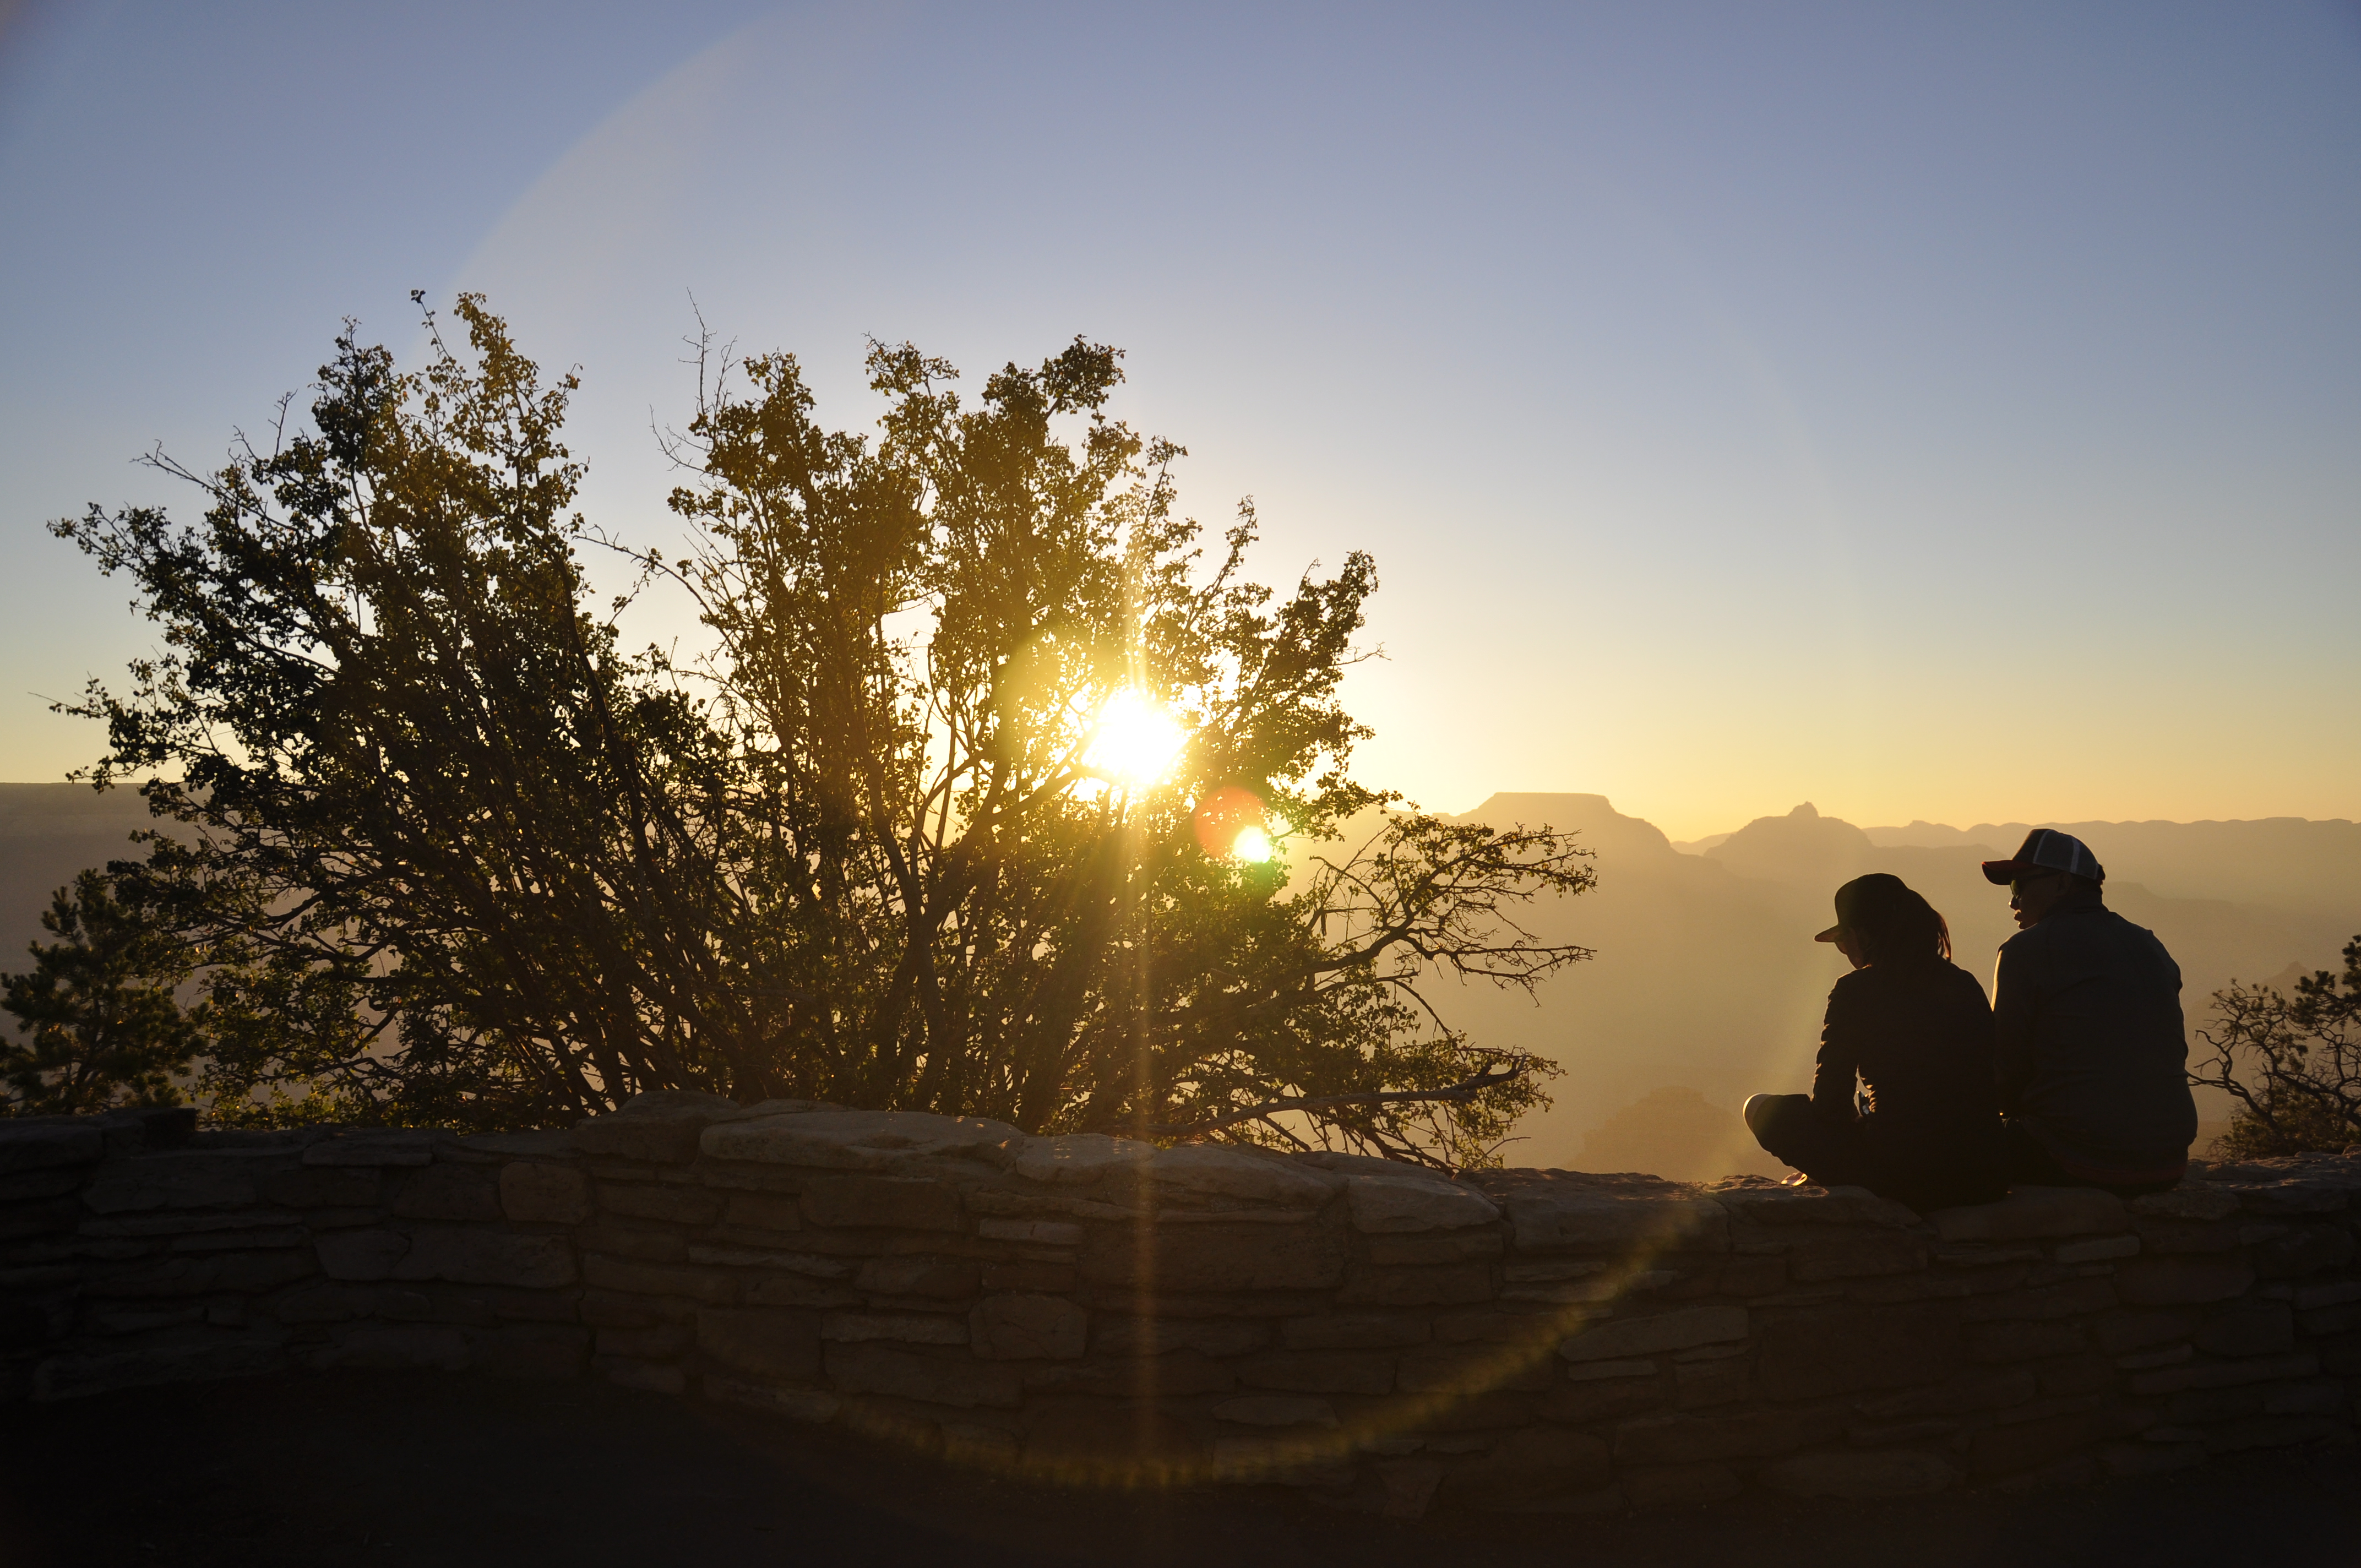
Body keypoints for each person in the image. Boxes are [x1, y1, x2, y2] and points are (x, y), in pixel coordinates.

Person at [1743, 873, 2007, 1211]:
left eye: (1843, 941)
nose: (1844, 952)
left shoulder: (1856, 990)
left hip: (1905, 1175)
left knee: (1760, 1108)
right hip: (1984, 1175)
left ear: (1863, 935)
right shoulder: (1966, 984)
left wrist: (1836, 1153)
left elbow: (1830, 1102)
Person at [1982, 829, 2196, 1196]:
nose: (2013, 902)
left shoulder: (2025, 951)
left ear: (2062, 883)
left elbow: (2004, 1070)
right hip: (2169, 1158)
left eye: (2019, 885)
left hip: (2078, 1158)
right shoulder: (2149, 944)